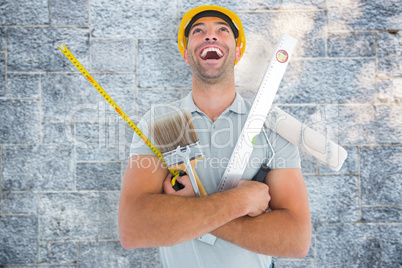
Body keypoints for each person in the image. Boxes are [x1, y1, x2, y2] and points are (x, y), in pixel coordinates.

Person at [118, 5, 311, 268]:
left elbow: (296, 239)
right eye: (198, 31)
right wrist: (240, 202)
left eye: (222, 30)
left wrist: (191, 209)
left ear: (238, 51)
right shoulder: (159, 122)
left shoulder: (272, 126)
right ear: (186, 54)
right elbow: (134, 229)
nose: (210, 35)